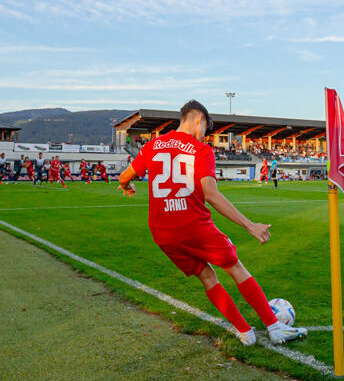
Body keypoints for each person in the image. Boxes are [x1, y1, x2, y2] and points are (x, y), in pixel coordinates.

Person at [116, 99, 306, 346]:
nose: (204, 135)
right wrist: (250, 225)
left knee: (207, 277)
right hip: (193, 225)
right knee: (235, 267)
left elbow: (124, 176)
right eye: (206, 129)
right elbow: (211, 194)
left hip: (162, 233)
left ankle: (245, 332)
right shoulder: (200, 150)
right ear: (200, 119)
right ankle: (274, 326)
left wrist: (126, 185)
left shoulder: (152, 145)